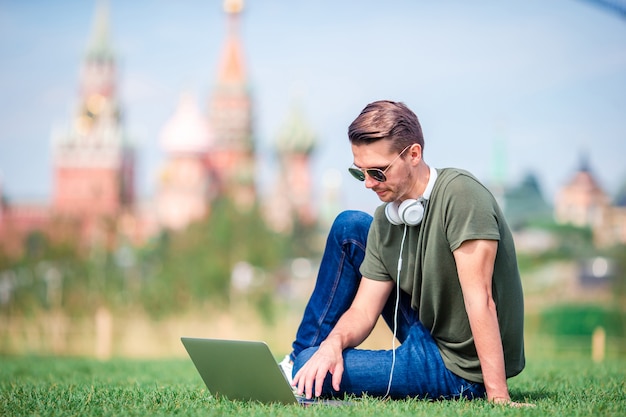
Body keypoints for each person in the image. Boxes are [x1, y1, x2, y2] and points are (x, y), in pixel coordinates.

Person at [279, 100, 530, 406]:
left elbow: (481, 299)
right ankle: (295, 365)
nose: (369, 184)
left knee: (309, 366)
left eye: (379, 172)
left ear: (414, 154)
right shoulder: (389, 218)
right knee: (351, 226)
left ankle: (298, 370)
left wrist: (498, 395)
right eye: (361, 173)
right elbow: (363, 311)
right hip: (426, 330)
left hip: (461, 367)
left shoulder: (461, 196)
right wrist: (332, 345)